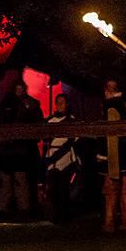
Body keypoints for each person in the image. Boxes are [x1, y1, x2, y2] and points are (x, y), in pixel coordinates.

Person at [0, 79, 43, 221]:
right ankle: (4, 210)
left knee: (20, 181)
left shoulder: (30, 105)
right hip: (8, 151)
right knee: (6, 182)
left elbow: (35, 127)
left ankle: (23, 210)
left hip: (21, 150)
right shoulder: (5, 105)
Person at [97, 78, 126, 233]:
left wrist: (102, 156)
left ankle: (109, 223)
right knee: (124, 188)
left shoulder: (110, 106)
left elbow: (107, 134)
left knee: (111, 187)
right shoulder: (125, 105)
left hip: (113, 151)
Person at [43, 93, 78, 224]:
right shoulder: (49, 120)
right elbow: (45, 138)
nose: (60, 105)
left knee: (64, 188)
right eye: (58, 102)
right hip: (52, 158)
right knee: (53, 189)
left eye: (63, 102)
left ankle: (65, 215)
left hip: (66, 159)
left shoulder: (71, 120)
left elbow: (75, 139)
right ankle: (56, 215)